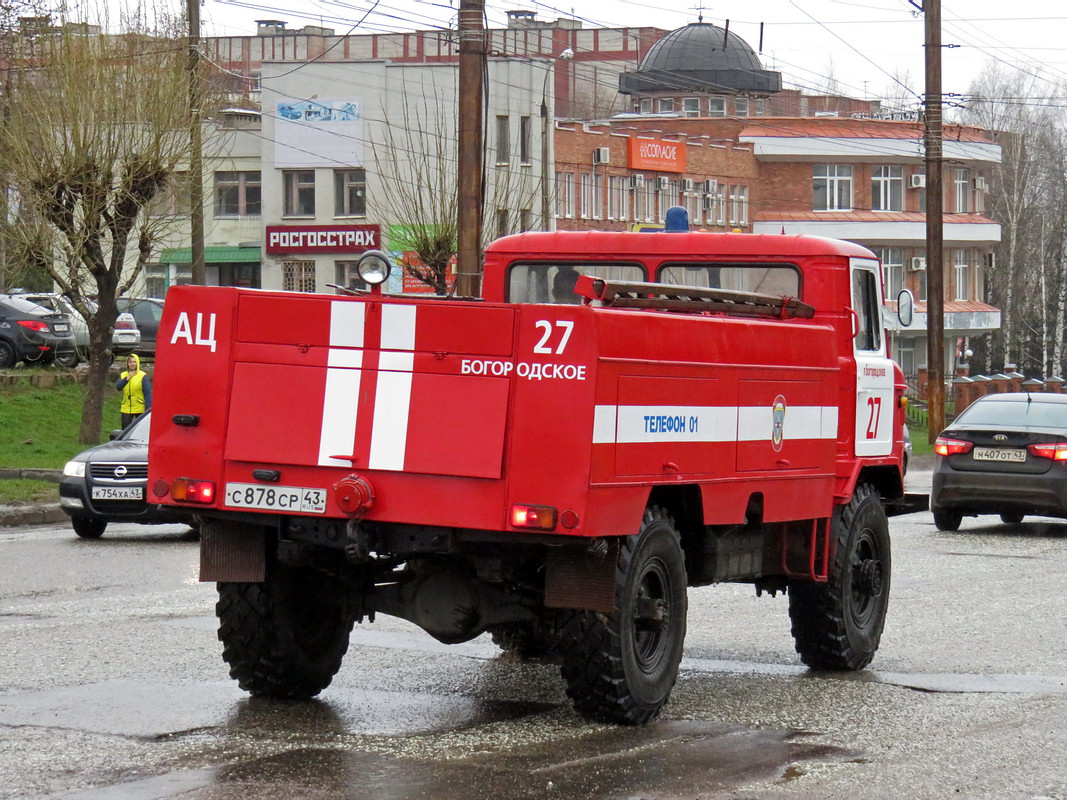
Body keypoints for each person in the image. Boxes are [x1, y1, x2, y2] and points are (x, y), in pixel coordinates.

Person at [116, 353, 152, 429]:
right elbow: (118, 387)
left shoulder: (142, 376)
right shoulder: (123, 375)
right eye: (130, 362)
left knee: (139, 429)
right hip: (126, 407)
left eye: (134, 362)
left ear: (137, 363)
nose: (132, 364)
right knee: (125, 430)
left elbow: (148, 394)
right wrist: (127, 378)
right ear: (127, 364)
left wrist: (148, 410)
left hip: (139, 408)